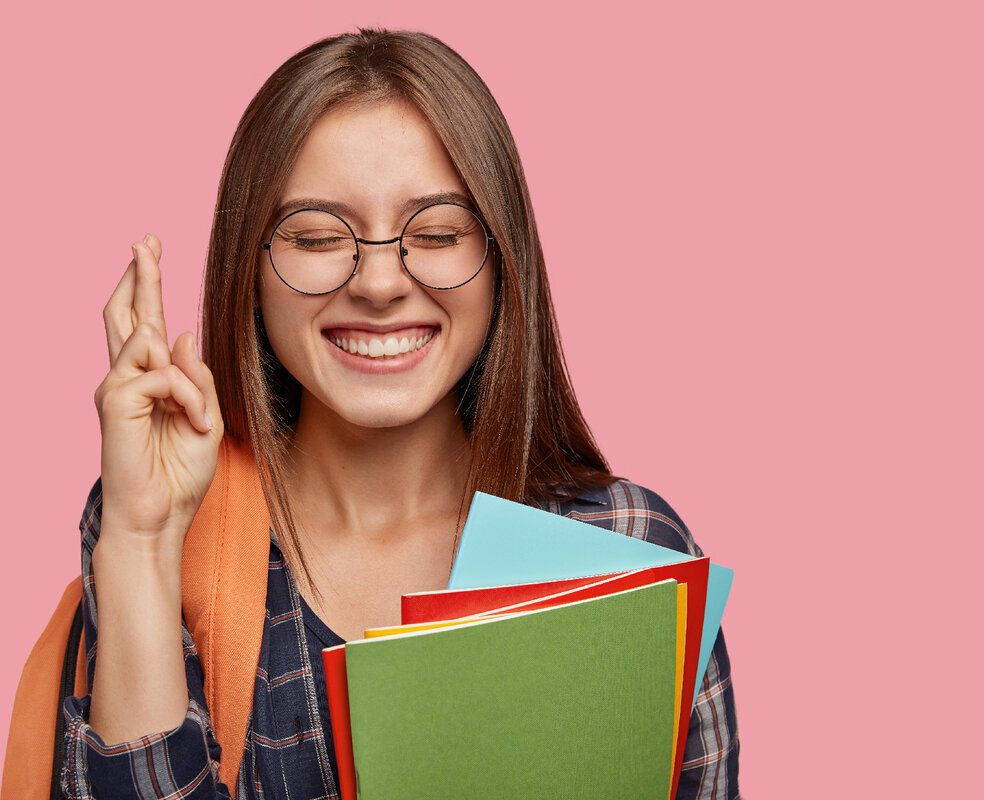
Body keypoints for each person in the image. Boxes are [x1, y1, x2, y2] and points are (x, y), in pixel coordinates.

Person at [59, 28, 740, 799]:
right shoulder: (164, 530)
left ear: (501, 262)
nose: (379, 282)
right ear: (248, 271)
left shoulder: (625, 551)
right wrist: (144, 542)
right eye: (317, 236)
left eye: (438, 233)